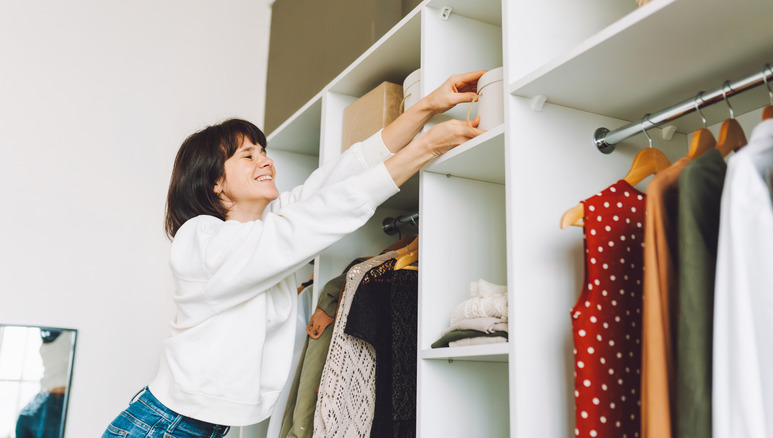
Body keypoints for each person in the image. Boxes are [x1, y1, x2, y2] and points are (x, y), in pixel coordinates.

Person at [101, 71, 487, 438]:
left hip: (195, 426)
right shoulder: (200, 239)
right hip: (163, 426)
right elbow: (308, 223)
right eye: (248, 156)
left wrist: (426, 107)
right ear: (215, 182)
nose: (266, 160)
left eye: (264, 152)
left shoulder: (264, 226)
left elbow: (343, 174)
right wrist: (425, 148)